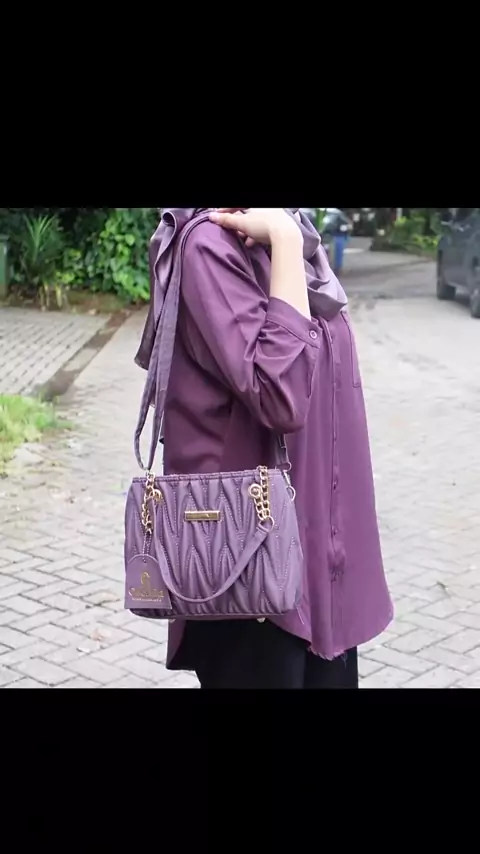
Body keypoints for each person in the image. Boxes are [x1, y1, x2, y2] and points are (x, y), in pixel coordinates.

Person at [135, 207, 393, 689]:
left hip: (317, 556)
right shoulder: (211, 246)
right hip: (249, 561)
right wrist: (286, 242)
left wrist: (287, 237)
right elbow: (281, 395)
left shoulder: (290, 233)